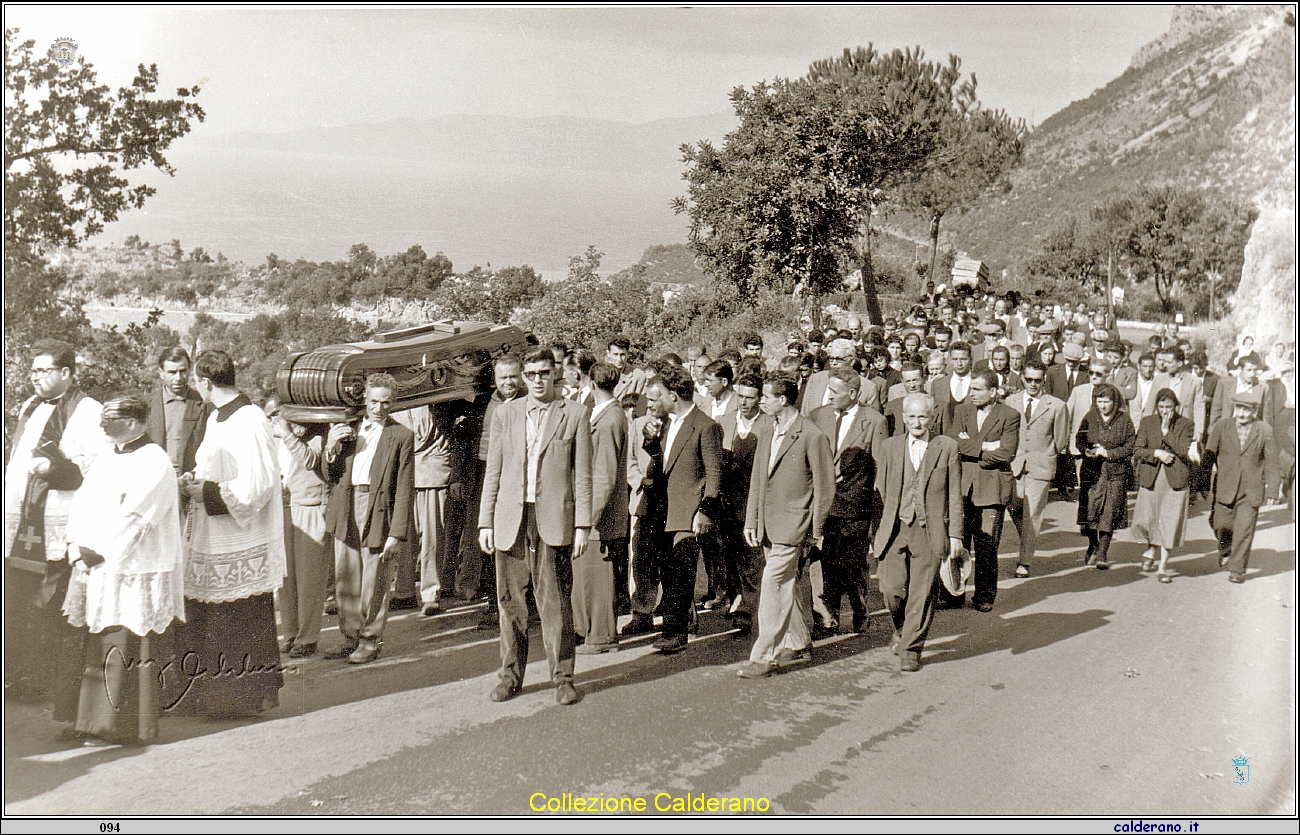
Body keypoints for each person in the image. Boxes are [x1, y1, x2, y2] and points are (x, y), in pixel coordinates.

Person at [59, 395, 186, 745]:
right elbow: (81, 504)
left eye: (108, 422)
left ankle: (126, 727)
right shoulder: (105, 458)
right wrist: (75, 546)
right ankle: (90, 722)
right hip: (96, 564)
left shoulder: (155, 460)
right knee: (98, 640)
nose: (101, 428)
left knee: (128, 641)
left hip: (133, 566)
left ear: (132, 423)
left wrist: (95, 551)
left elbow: (137, 516)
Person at [169, 350, 285, 715]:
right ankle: (211, 695)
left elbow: (259, 485)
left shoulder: (249, 419)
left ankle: (239, 699)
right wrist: (195, 480)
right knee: (212, 618)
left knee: (238, 619)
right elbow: (213, 467)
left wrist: (202, 491)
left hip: (239, 539)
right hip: (212, 537)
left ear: (205, 382)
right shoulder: (218, 417)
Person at [478, 348, 592, 704]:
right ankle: (510, 676)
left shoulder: (575, 414)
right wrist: (485, 522)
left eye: (544, 372)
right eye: (531, 374)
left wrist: (583, 525)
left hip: (553, 520)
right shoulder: (505, 414)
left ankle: (563, 678)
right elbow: (493, 471)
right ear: (523, 377)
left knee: (555, 603)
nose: (538, 380)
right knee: (510, 603)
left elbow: (584, 474)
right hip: (511, 519)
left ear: (555, 373)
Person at [5, 340, 104, 702]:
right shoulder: (30, 405)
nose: (35, 378)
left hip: (59, 517)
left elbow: (97, 466)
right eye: (33, 371)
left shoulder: (87, 410)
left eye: (44, 371)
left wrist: (55, 468)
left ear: (67, 373)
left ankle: (47, 680)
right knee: (19, 599)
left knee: (51, 602)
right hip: (22, 518)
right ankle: (19, 676)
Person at [737, 373, 834, 679]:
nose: (759, 401)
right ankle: (799, 640)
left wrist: (815, 530)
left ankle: (765, 656)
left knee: (773, 585)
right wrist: (752, 520)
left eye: (764, 396)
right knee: (785, 585)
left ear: (783, 400)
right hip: (767, 525)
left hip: (793, 525)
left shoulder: (811, 434)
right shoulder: (767, 429)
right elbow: (757, 480)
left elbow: (825, 488)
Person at [321, 374, 415, 664]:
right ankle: (349, 638)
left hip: (378, 507)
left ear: (394, 402)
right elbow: (329, 476)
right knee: (346, 576)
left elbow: (404, 488)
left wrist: (396, 534)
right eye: (374, 401)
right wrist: (330, 449)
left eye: (385, 402)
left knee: (375, 579)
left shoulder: (401, 436)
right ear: (365, 399)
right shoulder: (346, 430)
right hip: (347, 505)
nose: (378, 407)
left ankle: (370, 641)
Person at [635, 363, 724, 655]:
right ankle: (675, 626)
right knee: (668, 570)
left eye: (656, 397)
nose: (652, 404)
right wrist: (650, 439)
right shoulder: (669, 422)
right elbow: (664, 461)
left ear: (673, 395)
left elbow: (714, 473)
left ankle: (675, 633)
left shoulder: (706, 426)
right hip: (663, 510)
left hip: (689, 512)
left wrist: (706, 510)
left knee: (680, 575)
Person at [874, 393, 962, 672]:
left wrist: (956, 535)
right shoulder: (889, 447)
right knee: (891, 588)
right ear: (903, 418)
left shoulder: (946, 447)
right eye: (911, 416)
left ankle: (911, 648)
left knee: (922, 592)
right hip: (895, 527)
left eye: (922, 416)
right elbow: (881, 490)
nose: (917, 422)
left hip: (929, 528)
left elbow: (955, 495)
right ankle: (902, 629)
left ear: (932, 417)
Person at [809, 367, 887, 634]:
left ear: (853, 393)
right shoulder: (817, 416)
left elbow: (879, 472)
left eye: (834, 391)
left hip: (855, 505)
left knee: (851, 563)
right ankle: (826, 618)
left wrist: (877, 517)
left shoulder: (874, 421)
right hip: (822, 504)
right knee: (822, 561)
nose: (828, 396)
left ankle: (859, 606)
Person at [945, 369, 1019, 611]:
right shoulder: (962, 410)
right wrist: (986, 447)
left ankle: (985, 595)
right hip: (963, 488)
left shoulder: (1010, 415)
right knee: (959, 542)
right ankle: (954, 593)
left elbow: (1007, 452)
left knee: (987, 546)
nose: (971, 393)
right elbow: (953, 442)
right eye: (971, 388)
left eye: (977, 389)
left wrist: (972, 448)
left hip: (992, 490)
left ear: (994, 392)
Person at [462, 354, 524, 628]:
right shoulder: (489, 403)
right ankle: (494, 602)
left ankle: (522, 603)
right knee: (490, 540)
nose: (508, 382)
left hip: (518, 477)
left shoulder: (527, 401)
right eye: (503, 378)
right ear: (495, 380)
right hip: (488, 475)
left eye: (513, 376)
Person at [266, 398, 329, 658]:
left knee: (309, 577)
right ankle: (291, 633)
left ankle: (308, 637)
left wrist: (289, 435)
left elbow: (311, 460)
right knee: (285, 576)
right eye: (269, 415)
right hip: (281, 508)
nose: (274, 420)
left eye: (278, 414)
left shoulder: (316, 432)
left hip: (310, 505)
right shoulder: (272, 438)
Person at [573, 362, 627, 655]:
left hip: (601, 518)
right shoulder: (606, 415)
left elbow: (605, 476)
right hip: (597, 515)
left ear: (592, 385)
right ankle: (591, 632)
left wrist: (588, 519)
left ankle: (603, 637)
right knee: (589, 576)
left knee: (599, 579)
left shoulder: (609, 420)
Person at [1204, 390, 1279, 584]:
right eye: (1239, 408)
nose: (1242, 414)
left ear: (1254, 410)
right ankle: (1225, 549)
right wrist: (1202, 481)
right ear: (1234, 408)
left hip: (1250, 489)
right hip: (1226, 486)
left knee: (1244, 529)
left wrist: (1272, 489)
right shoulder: (1222, 426)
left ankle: (1237, 570)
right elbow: (1209, 455)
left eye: (1247, 410)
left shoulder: (1265, 430)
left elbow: (1271, 461)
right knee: (1221, 525)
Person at [391, 401, 457, 616]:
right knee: (403, 536)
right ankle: (404, 591)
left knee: (432, 537)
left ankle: (430, 594)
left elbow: (421, 435)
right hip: (403, 474)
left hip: (432, 473)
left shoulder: (435, 399)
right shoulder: (398, 400)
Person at [1005, 359, 1069, 578]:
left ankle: (1024, 560)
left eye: (1037, 380)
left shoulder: (1057, 406)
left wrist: (1047, 454)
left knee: (1032, 514)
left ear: (1044, 380)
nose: (1033, 384)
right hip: (1014, 464)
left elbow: (1060, 439)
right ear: (1022, 378)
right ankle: (1027, 542)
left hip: (1040, 466)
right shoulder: (1010, 401)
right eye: (1029, 379)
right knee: (1014, 508)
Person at [1131, 389, 1194, 583]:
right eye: (1161, 407)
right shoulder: (1148, 422)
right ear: (1156, 406)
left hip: (1175, 479)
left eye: (1169, 407)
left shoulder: (1186, 424)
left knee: (1170, 520)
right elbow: (1138, 450)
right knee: (1151, 517)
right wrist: (1157, 453)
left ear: (1176, 406)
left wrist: (1167, 433)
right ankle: (1151, 549)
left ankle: (1163, 566)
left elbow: (1184, 451)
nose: (1165, 411)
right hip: (1152, 476)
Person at [1075, 382, 1136, 570]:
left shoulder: (1124, 420)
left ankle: (1102, 553)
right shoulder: (1090, 417)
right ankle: (1093, 544)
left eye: (1107, 401)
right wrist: (1085, 450)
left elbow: (1130, 446)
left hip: (1115, 474)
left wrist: (1109, 454)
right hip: (1093, 473)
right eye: (1100, 401)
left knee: (1109, 512)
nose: (1103, 405)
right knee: (1092, 512)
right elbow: (1080, 438)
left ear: (1114, 401)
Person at [146, 346, 212, 478]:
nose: (178, 378)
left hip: (191, 481)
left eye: (183, 371)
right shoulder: (146, 405)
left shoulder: (204, 404)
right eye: (172, 372)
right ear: (161, 372)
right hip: (155, 479)